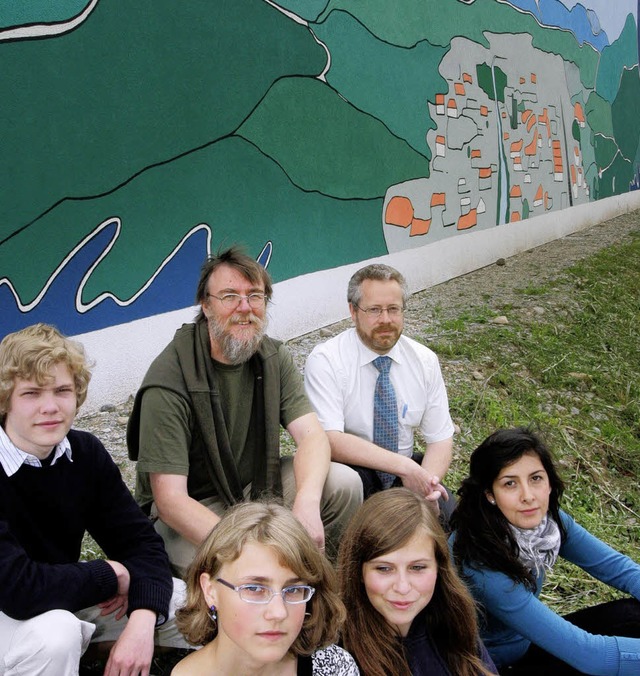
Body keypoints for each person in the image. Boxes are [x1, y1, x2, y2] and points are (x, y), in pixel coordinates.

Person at [127, 247, 362, 575]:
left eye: (255, 295)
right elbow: (170, 502)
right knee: (245, 571)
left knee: (343, 483)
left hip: (256, 486)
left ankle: (323, 590)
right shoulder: (170, 379)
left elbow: (312, 437)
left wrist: (306, 504)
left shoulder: (272, 357)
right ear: (205, 306)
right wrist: (249, 545)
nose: (244, 308)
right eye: (229, 296)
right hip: (194, 508)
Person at [0, 323, 188, 676]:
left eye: (62, 390)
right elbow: (17, 588)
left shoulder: (83, 452)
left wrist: (143, 621)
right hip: (10, 612)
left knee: (191, 603)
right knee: (56, 633)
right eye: (31, 394)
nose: (50, 407)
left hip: (61, 595)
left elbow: (143, 545)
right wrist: (111, 574)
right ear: (5, 397)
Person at [450, 427, 640, 675]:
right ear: (490, 494)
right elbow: (591, 656)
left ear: (549, 483)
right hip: (490, 667)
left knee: (632, 615)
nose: (528, 496)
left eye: (536, 478)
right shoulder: (478, 561)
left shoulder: (546, 524)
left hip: (528, 647)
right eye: (510, 484)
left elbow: (620, 570)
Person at [304, 264, 455, 516]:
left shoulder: (424, 360)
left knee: (448, 521)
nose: (385, 319)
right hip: (353, 471)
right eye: (374, 310)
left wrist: (427, 483)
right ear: (353, 312)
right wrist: (405, 468)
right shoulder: (327, 360)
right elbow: (328, 438)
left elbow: (440, 438)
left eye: (393, 309)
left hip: (405, 470)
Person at [173, 500, 359, 675]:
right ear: (209, 591)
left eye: (293, 590)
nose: (279, 612)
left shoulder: (334, 667)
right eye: (254, 589)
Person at [338, 487, 497, 676]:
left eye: (417, 568)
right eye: (384, 569)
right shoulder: (334, 652)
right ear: (358, 571)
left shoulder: (454, 621)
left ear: (439, 567)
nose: (402, 587)